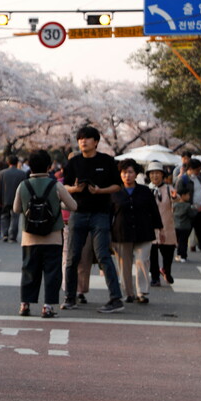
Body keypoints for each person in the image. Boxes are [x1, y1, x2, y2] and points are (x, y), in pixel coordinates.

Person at [61, 126, 125, 313]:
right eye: (80, 138)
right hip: (78, 212)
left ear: (96, 142)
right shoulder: (74, 162)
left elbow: (117, 186)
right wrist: (75, 189)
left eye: (87, 138)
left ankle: (115, 299)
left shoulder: (107, 161)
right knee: (72, 257)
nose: (83, 141)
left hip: (100, 213)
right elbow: (64, 186)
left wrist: (99, 191)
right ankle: (70, 297)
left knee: (103, 255)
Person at [14, 149, 77, 318]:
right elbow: (73, 206)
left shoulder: (23, 185)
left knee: (29, 271)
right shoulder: (56, 185)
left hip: (29, 237)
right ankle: (47, 307)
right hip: (53, 237)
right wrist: (58, 205)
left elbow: (16, 209)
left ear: (30, 166)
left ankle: (25, 305)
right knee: (52, 272)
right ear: (49, 166)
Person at [111, 159, 163, 304]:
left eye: (130, 172)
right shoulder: (115, 192)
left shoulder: (145, 191)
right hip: (121, 233)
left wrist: (160, 229)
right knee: (124, 265)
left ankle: (142, 292)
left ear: (136, 174)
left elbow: (154, 211)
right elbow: (109, 214)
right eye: (124, 173)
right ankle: (128, 292)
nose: (127, 175)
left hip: (144, 231)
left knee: (142, 261)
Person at [146, 162, 177, 286]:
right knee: (152, 254)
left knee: (168, 253)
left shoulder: (169, 188)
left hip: (166, 226)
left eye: (157, 173)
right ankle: (155, 277)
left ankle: (166, 271)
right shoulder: (146, 189)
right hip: (151, 227)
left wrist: (175, 197)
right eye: (152, 173)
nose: (155, 176)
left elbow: (177, 198)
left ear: (162, 175)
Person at [0, 155, 27, 242]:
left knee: (4, 216)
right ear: (17, 163)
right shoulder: (22, 173)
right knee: (15, 217)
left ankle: (5, 234)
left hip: (5, 199)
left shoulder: (2, 173)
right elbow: (24, 188)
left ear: (8, 162)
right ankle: (12, 236)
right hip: (17, 199)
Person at [173, 188, 196, 262]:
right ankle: (183, 256)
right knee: (184, 242)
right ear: (183, 195)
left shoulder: (175, 205)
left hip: (176, 226)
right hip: (185, 227)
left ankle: (178, 254)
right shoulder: (187, 206)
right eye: (188, 195)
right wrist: (195, 210)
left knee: (178, 241)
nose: (189, 196)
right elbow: (192, 215)